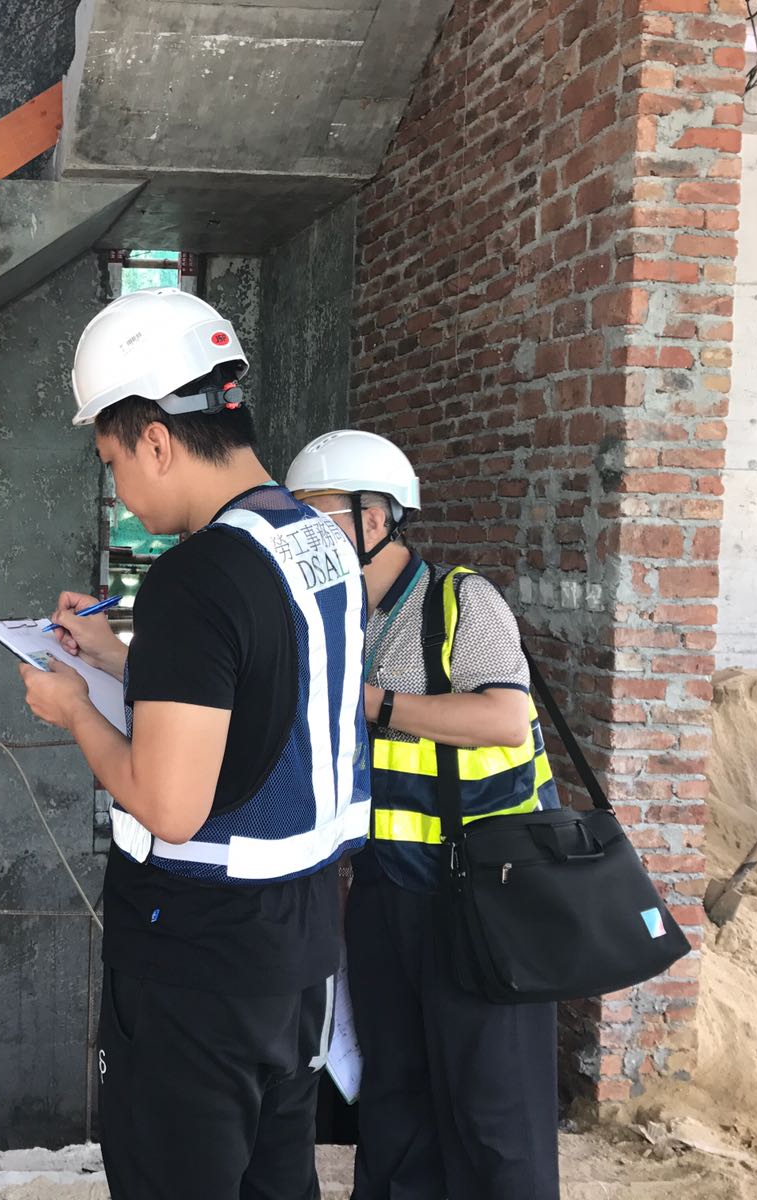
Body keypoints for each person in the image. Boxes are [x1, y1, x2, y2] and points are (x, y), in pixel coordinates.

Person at [18, 288, 370, 1200]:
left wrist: (76, 710)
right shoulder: (318, 543)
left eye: (111, 461)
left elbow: (170, 805)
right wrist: (117, 656)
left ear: (156, 441)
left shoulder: (192, 577)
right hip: (299, 947)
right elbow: (261, 687)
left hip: (198, 962)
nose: (119, 489)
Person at [285, 428, 560, 1200]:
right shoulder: (337, 620)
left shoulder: (462, 603)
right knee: (395, 1101)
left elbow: (505, 717)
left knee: (495, 1114)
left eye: (317, 518)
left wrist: (378, 703)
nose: (304, 538)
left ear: (375, 519)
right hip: (385, 894)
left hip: (482, 898)